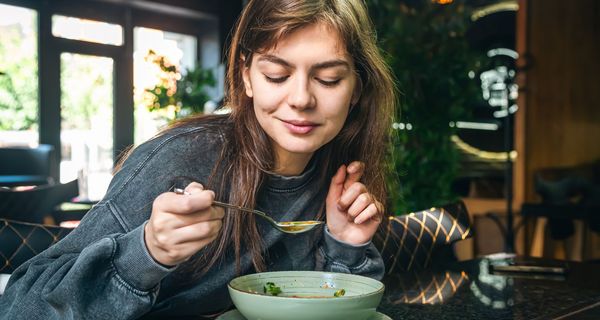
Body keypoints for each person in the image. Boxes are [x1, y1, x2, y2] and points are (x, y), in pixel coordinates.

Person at [0, 0, 396, 318]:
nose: (301, 99)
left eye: (328, 79)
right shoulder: (180, 159)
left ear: (357, 89)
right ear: (246, 77)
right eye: (276, 74)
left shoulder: (339, 174)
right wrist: (148, 251)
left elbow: (331, 308)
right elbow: (20, 305)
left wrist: (344, 245)